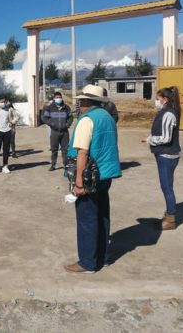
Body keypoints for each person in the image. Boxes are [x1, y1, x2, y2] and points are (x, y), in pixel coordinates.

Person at [64, 84, 122, 274]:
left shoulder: (87, 120)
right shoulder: (108, 117)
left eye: (80, 101)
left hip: (89, 176)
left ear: (87, 102)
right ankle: (103, 257)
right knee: (102, 215)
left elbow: (82, 152)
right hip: (106, 174)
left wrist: (79, 182)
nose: (79, 105)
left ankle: (88, 262)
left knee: (87, 218)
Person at [142, 86, 181, 230]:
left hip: (167, 155)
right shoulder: (166, 112)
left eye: (157, 99)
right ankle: (168, 215)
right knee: (167, 186)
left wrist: (149, 139)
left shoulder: (168, 114)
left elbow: (166, 138)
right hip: (166, 154)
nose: (156, 101)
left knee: (167, 187)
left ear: (165, 100)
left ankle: (170, 219)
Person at [42, 92, 74, 172]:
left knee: (65, 150)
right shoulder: (50, 107)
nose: (58, 99)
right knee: (54, 149)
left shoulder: (66, 107)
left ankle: (65, 165)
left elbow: (71, 117)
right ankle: (53, 165)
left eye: (60, 97)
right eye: (57, 97)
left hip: (64, 132)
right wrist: (52, 124)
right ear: (54, 98)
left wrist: (67, 124)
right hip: (54, 132)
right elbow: (44, 118)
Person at [0, 95, 19, 174]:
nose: (3, 103)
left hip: (7, 131)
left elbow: (17, 116)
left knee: (6, 149)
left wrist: (12, 122)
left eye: (4, 102)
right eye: (1, 102)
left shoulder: (9, 109)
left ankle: (5, 166)